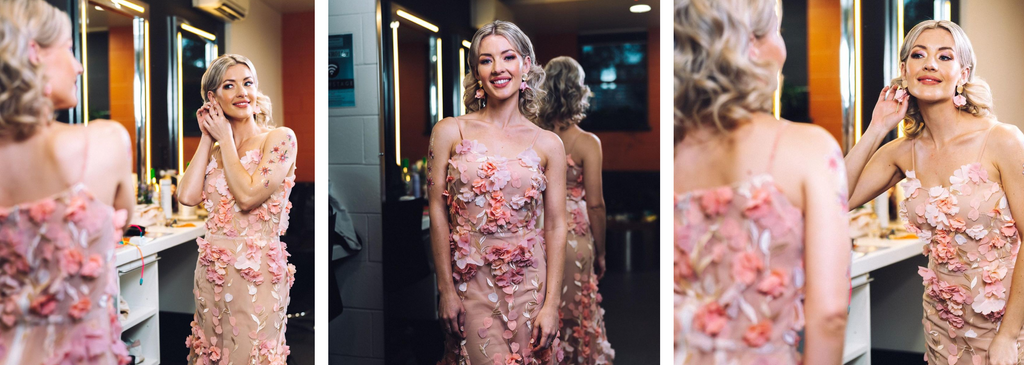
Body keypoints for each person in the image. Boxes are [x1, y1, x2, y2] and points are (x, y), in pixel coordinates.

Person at [674, 0, 851, 363]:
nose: (782, 46)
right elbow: (829, 315)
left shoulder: (672, 147)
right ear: (751, 45)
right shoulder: (810, 148)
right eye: (778, 30)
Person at [845, 19, 1024, 365]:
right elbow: (837, 198)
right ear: (904, 70)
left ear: (964, 73)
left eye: (944, 57)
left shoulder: (1003, 141)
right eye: (918, 55)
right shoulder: (902, 151)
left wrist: (1009, 335)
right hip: (943, 328)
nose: (929, 64)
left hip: (1008, 323)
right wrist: (877, 127)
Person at [0, 0, 134, 363]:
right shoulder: (104, 141)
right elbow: (125, 214)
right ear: (34, 52)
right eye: (70, 49)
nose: (78, 67)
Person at [427, 20, 567, 364]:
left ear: (526, 65)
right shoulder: (450, 131)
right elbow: (436, 211)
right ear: (476, 70)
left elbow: (557, 225)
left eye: (508, 57)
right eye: (487, 60)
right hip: (469, 283)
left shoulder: (550, 143)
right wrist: (445, 290)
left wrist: (551, 304)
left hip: (530, 284)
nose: (498, 68)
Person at [177, 54, 297, 364]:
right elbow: (187, 196)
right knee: (210, 355)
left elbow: (247, 196)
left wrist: (226, 140)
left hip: (257, 276)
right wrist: (207, 137)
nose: (242, 92)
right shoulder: (214, 149)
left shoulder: (279, 139)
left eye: (248, 83)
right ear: (212, 99)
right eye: (230, 86)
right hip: (213, 274)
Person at [537, 55, 614, 364]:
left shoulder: (535, 137)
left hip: (540, 231)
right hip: (575, 237)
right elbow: (595, 204)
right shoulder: (587, 143)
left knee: (544, 309)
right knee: (576, 315)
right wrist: (602, 252)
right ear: (577, 92)